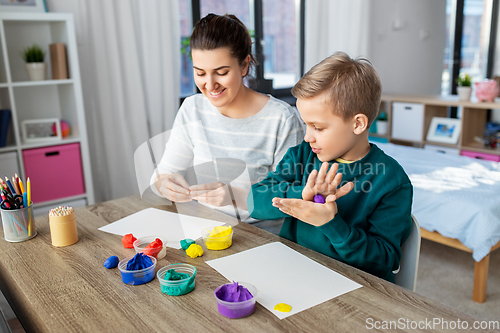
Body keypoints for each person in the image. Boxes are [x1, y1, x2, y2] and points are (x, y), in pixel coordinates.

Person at [247, 52, 413, 282]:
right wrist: (303, 194)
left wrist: (330, 224)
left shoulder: (392, 181)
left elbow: (385, 259)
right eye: (306, 125)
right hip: (294, 272)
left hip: (354, 287)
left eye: (318, 127)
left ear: (358, 124)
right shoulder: (302, 155)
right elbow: (254, 202)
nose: (307, 137)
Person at [151, 13, 303, 223]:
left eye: (221, 72)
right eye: (200, 73)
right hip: (206, 228)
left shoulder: (281, 118)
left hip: (264, 236)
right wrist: (165, 184)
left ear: (244, 65)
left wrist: (235, 196)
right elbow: (161, 175)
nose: (210, 85)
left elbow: (293, 199)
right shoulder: (192, 108)